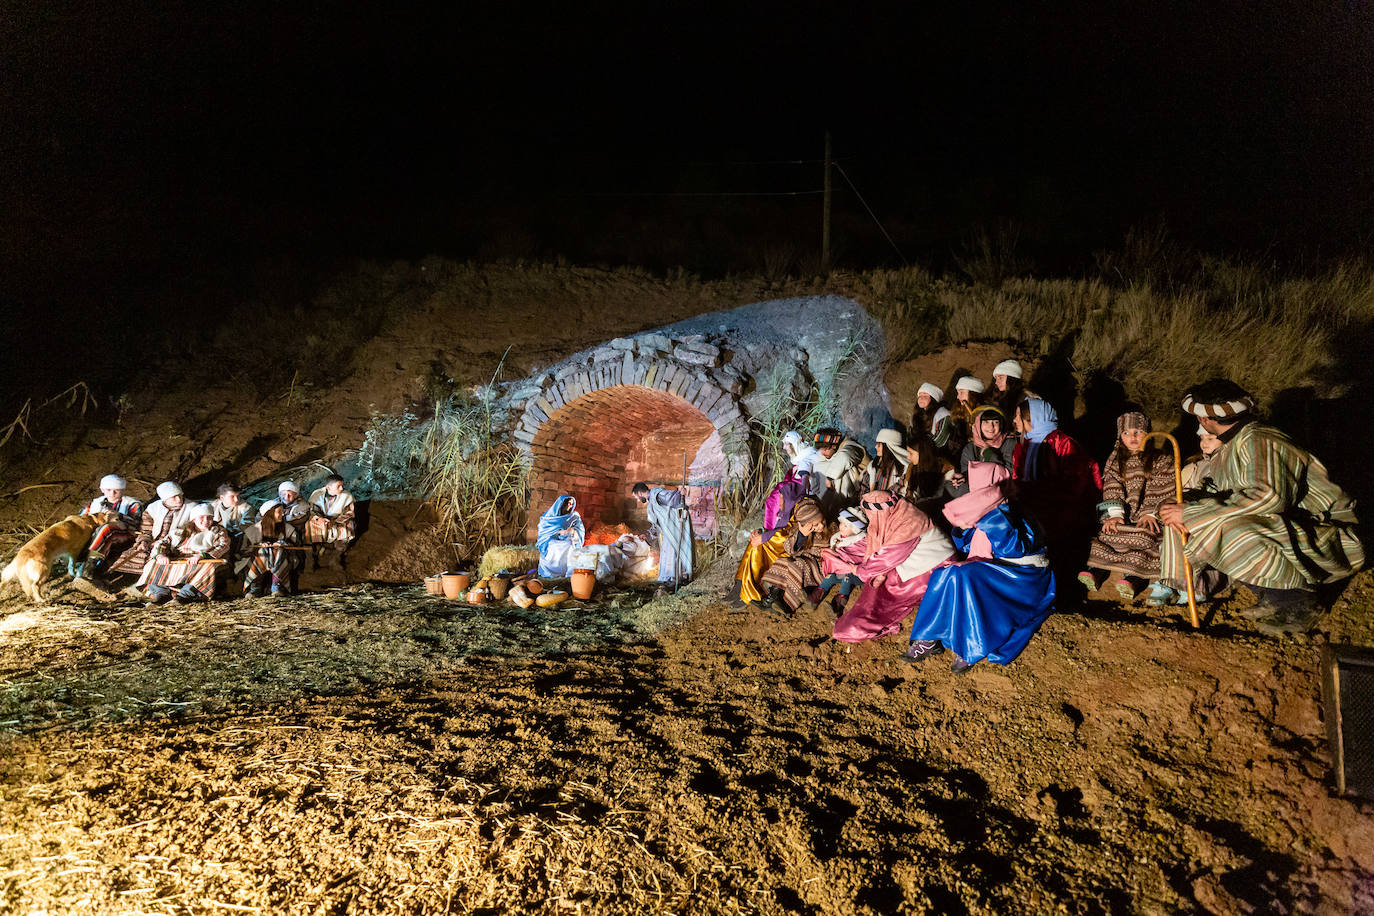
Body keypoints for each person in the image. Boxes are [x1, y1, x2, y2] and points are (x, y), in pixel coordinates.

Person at [1158, 379, 1364, 635]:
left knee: (1228, 527)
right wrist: (1184, 504)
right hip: (1285, 526)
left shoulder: (1261, 440)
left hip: (1328, 533)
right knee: (1191, 517)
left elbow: (1269, 497)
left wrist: (1193, 512)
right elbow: (1225, 493)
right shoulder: (1230, 446)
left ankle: (1297, 603)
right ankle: (1271, 596)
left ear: (1205, 419)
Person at [905, 462, 1056, 672]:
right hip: (998, 572)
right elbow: (967, 545)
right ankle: (928, 637)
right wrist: (966, 525)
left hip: (1023, 580)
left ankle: (970, 646)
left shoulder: (1017, 512)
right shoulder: (988, 512)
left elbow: (1012, 549)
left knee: (967, 576)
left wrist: (987, 518)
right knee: (945, 572)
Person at [831, 491, 955, 643]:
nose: (872, 519)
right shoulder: (899, 515)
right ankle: (859, 621)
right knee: (877, 583)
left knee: (887, 591)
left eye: (872, 515)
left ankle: (860, 626)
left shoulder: (907, 524)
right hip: (921, 562)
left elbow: (886, 559)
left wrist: (858, 570)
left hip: (935, 567)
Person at [1010, 397, 1102, 598]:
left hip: (1061, 505)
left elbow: (1074, 482)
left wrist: (1040, 496)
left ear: (1032, 417)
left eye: (1019, 416)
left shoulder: (1063, 443)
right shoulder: (1025, 446)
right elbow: (1018, 478)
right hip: (1034, 504)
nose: (1015, 420)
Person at [1079, 411, 1175, 600]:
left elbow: (1163, 486)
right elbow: (1112, 487)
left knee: (1145, 539)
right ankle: (1096, 571)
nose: (1132, 437)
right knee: (1105, 533)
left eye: (1138, 432)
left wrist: (1150, 513)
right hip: (1123, 517)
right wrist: (1114, 513)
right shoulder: (1115, 462)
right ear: (1119, 436)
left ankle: (1132, 577)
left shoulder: (1161, 460)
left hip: (1148, 519)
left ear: (1147, 433)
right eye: (1126, 433)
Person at [729, 469, 809, 607]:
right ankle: (739, 584)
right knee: (752, 544)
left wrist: (763, 537)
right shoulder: (787, 512)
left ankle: (751, 594)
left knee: (757, 549)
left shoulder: (798, 513)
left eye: (781, 498)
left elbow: (786, 535)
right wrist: (760, 533)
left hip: (787, 549)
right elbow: (777, 529)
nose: (779, 502)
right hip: (778, 545)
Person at [139, 503, 231, 603]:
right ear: (194, 519)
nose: (205, 521)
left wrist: (202, 555)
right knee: (152, 563)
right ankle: (161, 594)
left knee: (208, 567)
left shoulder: (217, 531)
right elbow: (163, 542)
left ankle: (183, 596)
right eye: (201, 517)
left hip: (202, 561)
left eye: (209, 518)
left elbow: (223, 545)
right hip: (179, 560)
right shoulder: (180, 531)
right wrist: (160, 555)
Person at [108, 481, 194, 578]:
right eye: (173, 497)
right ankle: (114, 576)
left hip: (173, 544)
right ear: (164, 499)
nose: (178, 499)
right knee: (131, 556)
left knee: (158, 561)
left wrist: (163, 543)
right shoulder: (153, 508)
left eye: (179, 495)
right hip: (152, 542)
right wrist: (144, 541)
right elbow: (146, 530)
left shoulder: (192, 508)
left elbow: (190, 532)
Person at [756, 497, 828, 614]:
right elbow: (789, 549)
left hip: (819, 568)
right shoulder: (799, 532)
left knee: (798, 564)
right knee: (784, 561)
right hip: (803, 562)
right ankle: (772, 597)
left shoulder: (831, 530)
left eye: (822, 521)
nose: (820, 526)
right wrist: (801, 535)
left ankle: (788, 605)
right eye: (815, 525)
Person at [72, 473, 144, 587]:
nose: (112, 493)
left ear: (123, 490)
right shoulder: (96, 503)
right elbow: (81, 518)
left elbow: (137, 524)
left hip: (125, 535)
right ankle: (75, 562)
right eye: (108, 490)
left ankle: (90, 567)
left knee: (107, 528)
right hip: (98, 536)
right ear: (102, 489)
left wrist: (119, 516)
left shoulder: (133, 504)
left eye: (117, 490)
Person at [634, 481, 693, 586]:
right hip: (667, 531)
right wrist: (646, 535)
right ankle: (671, 578)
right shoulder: (651, 504)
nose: (637, 499)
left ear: (639, 492)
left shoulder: (657, 493)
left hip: (673, 528)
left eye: (636, 497)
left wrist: (680, 494)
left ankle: (676, 578)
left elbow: (671, 498)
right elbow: (656, 525)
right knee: (668, 553)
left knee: (673, 553)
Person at [948, 406, 1017, 496]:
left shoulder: (1009, 443)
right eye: (986, 422)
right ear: (978, 424)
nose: (991, 426)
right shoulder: (970, 448)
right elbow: (968, 474)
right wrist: (963, 477)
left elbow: (1007, 473)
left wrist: (988, 452)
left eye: (996, 422)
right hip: (978, 497)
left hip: (1001, 495)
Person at [813, 507, 867, 614]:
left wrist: (837, 555)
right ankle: (814, 598)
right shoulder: (839, 537)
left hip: (855, 572)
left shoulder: (861, 541)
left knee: (847, 578)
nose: (841, 527)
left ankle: (838, 606)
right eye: (842, 523)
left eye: (846, 526)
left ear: (854, 529)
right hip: (841, 569)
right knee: (830, 577)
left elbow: (856, 557)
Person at [243, 501, 303, 597]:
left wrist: (282, 544)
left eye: (283, 511)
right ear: (269, 514)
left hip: (282, 557)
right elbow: (244, 549)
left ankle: (277, 586)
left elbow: (296, 544)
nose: (282, 514)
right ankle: (254, 587)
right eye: (279, 512)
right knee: (263, 551)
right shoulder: (254, 530)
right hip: (257, 558)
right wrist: (260, 545)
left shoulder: (287, 528)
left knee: (278, 551)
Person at [812, 428, 868, 513]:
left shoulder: (851, 446)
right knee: (819, 466)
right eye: (821, 449)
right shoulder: (830, 452)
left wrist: (829, 478)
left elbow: (845, 457)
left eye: (825, 449)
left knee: (840, 473)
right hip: (836, 497)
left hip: (858, 491)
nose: (822, 452)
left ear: (834, 445)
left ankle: (837, 509)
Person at [306, 474, 357, 567]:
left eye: (342, 485)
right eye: (338, 486)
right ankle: (311, 560)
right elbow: (313, 510)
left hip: (339, 520)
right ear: (328, 487)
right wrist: (321, 519)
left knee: (348, 529)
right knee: (309, 529)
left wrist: (335, 521)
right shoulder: (317, 494)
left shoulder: (347, 496)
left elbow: (349, 512)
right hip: (321, 520)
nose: (341, 488)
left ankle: (335, 559)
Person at [536, 494, 585, 577]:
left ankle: (569, 573)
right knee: (554, 547)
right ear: (562, 504)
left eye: (572, 503)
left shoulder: (574, 516)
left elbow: (580, 529)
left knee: (570, 546)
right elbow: (544, 531)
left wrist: (572, 531)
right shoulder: (549, 517)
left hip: (568, 540)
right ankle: (551, 573)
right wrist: (558, 532)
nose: (571, 505)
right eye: (569, 503)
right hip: (552, 540)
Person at [866, 428, 913, 498]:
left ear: (888, 447)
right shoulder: (873, 465)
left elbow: (901, 492)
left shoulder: (903, 468)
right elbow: (865, 486)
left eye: (879, 444)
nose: (876, 447)